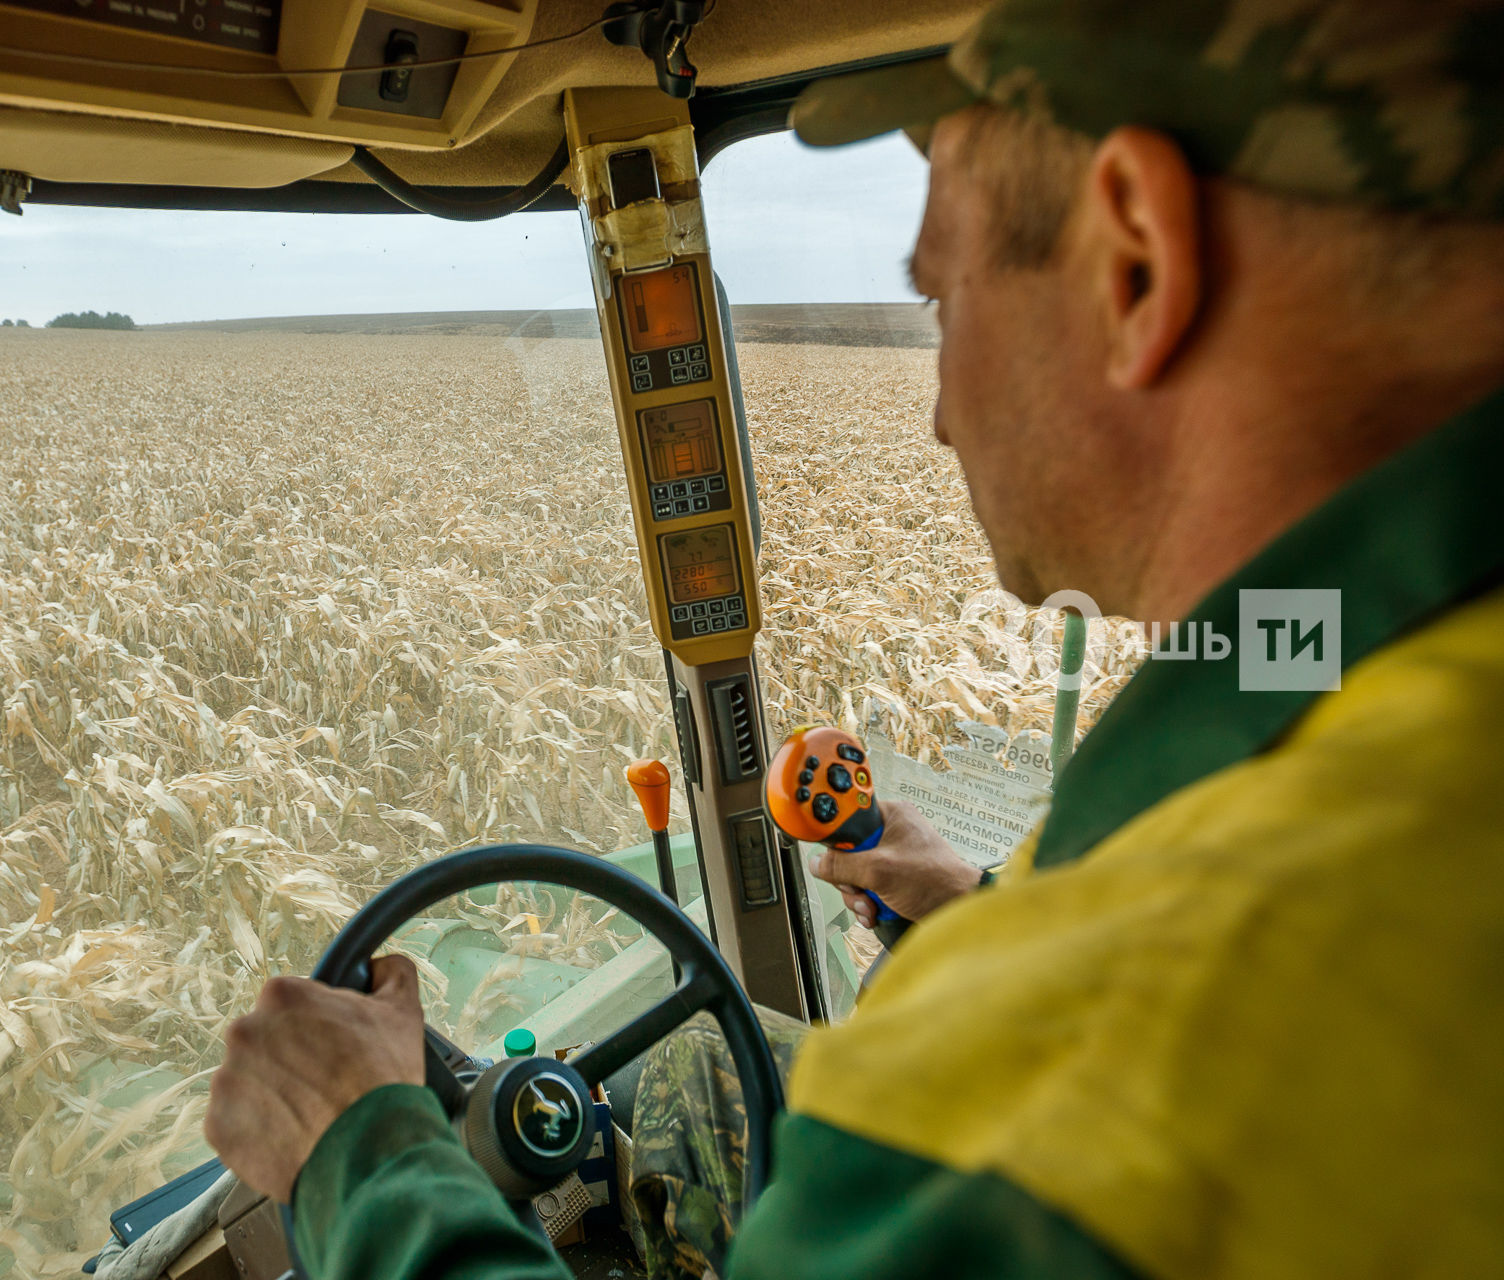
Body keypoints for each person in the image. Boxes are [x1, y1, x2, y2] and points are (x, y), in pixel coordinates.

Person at [204, 0, 1504, 1276]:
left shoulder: (1104, 1068)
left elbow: (1164, 1001)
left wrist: (363, 1160)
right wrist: (983, 923)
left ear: (1137, 262)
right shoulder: (1332, 643)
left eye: (942, 299)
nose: (939, 415)